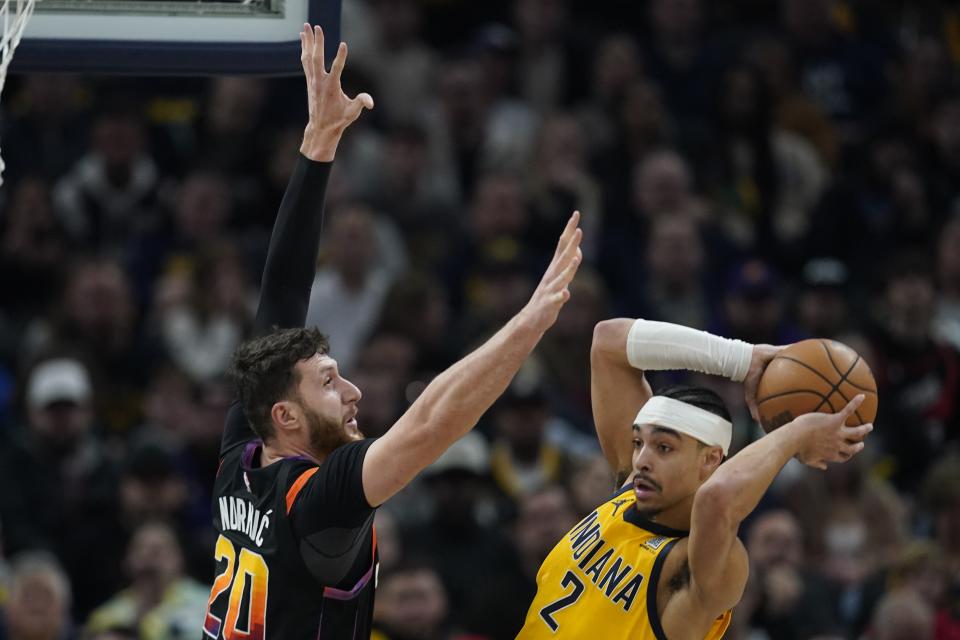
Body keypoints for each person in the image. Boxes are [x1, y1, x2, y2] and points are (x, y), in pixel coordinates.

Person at [203, 24, 583, 640]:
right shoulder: (317, 503)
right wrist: (530, 321)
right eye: (329, 382)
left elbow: (280, 296)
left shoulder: (241, 457)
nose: (353, 391)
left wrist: (318, 146)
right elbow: (433, 421)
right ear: (288, 417)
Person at [516, 318, 872, 638]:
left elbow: (717, 497)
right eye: (639, 442)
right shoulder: (629, 487)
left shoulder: (697, 565)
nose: (641, 459)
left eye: (664, 448)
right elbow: (608, 341)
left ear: (711, 459)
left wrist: (797, 433)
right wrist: (740, 359)